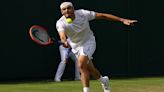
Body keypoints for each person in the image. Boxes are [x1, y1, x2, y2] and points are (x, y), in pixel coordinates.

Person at [56, 2, 137, 92]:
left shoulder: (83, 14)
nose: (67, 10)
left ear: (73, 9)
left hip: (88, 42)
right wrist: (64, 41)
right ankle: (104, 81)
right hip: (76, 47)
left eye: (69, 8)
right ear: (61, 12)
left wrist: (122, 20)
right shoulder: (60, 23)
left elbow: (102, 16)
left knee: (81, 64)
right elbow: (62, 36)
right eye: (64, 9)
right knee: (90, 68)